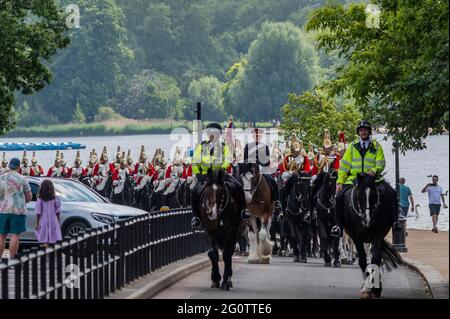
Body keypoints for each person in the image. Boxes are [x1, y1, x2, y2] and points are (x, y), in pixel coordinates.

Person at [331, 120, 399, 237]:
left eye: (365, 130)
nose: (363, 132)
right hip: (355, 179)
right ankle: (338, 226)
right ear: (359, 132)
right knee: (339, 197)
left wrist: (374, 171)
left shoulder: (376, 146)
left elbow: (381, 162)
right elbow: (345, 166)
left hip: (373, 179)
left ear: (369, 132)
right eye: (361, 130)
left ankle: (395, 222)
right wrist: (340, 181)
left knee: (392, 193)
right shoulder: (352, 147)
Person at [190, 122, 249, 228]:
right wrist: (198, 173)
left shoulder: (223, 146)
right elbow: (195, 160)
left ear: (218, 135)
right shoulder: (202, 146)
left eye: (214, 133)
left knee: (238, 187)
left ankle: (243, 211)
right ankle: (196, 217)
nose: (211, 135)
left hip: (220, 175)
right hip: (205, 176)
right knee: (194, 191)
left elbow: (228, 158)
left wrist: (223, 168)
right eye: (209, 133)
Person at [244, 127, 282, 213]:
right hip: (251, 169)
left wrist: (260, 163)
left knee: (273, 182)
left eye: (259, 135)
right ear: (253, 136)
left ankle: (276, 202)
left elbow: (267, 160)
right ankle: (242, 206)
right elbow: (245, 159)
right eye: (255, 135)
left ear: (261, 136)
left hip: (262, 169)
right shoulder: (247, 146)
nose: (257, 136)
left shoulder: (265, 147)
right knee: (241, 183)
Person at [0, 158, 33, 259]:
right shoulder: (22, 179)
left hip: (2, 210)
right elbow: (29, 197)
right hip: (17, 211)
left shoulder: (1, 178)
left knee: (1, 236)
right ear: (19, 167)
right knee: (14, 236)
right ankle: (12, 260)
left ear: (9, 166)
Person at [35, 179, 62, 245]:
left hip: (43, 221)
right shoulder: (55, 198)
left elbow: (38, 213)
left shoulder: (40, 199)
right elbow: (58, 212)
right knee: (53, 239)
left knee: (45, 239)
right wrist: (58, 222)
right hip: (53, 221)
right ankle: (52, 252)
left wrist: (37, 224)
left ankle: (46, 250)